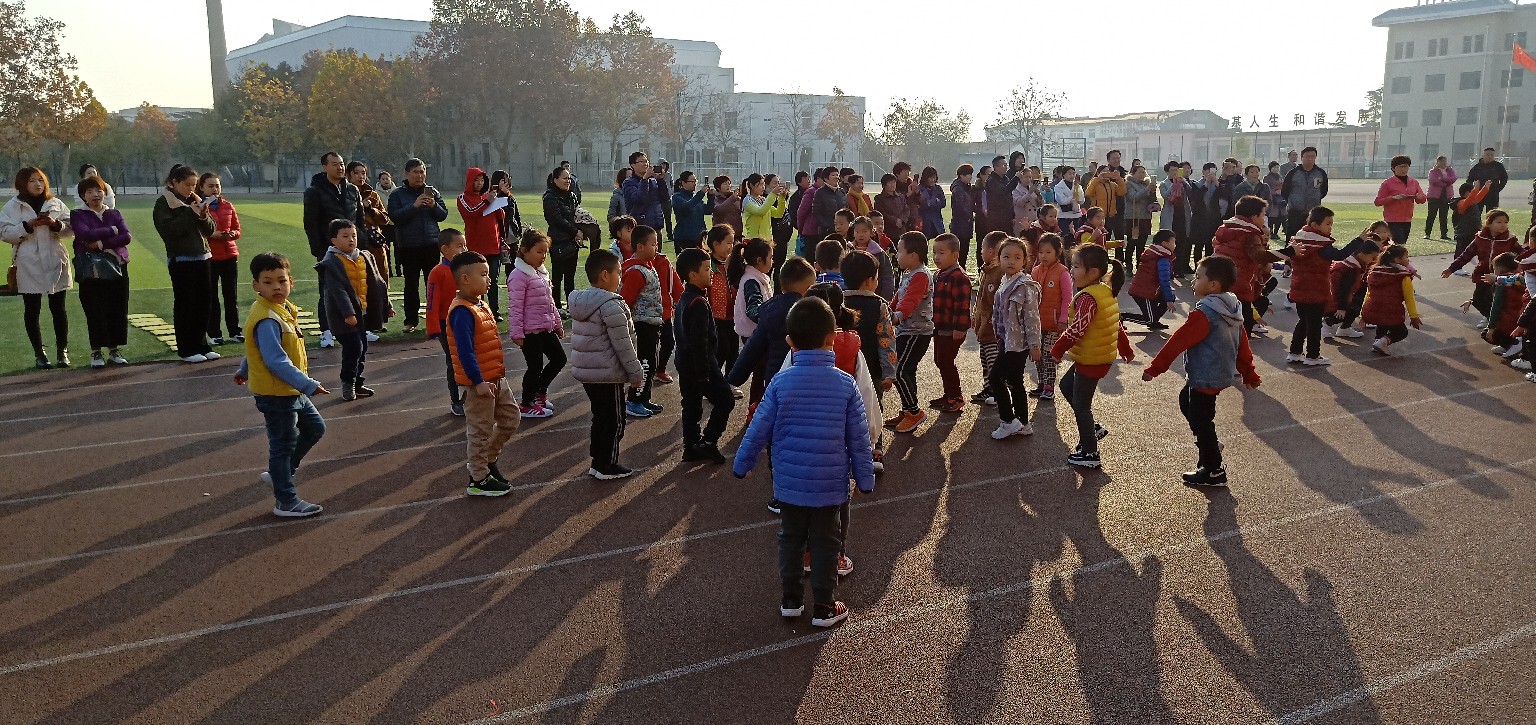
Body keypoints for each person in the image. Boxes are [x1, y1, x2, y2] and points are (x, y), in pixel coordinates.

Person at [732, 295, 875, 629]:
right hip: (829, 484)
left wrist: (742, 464)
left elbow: (759, 427)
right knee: (826, 542)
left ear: (789, 342)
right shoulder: (845, 384)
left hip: (789, 484)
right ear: (832, 339)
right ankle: (824, 605)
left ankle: (791, 600)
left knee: (790, 538)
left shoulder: (780, 382)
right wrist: (865, 479)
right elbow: (859, 436)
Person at [1142, 255, 1260, 488]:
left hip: (1206, 376)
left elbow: (1178, 342)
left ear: (1213, 285)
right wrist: (1248, 373)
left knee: (1201, 419)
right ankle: (1210, 447)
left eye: (1197, 277)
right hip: (1217, 373)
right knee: (1188, 403)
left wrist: (1155, 368)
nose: (1193, 282)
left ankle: (1213, 469)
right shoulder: (1232, 308)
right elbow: (1242, 344)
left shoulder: (1205, 313)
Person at [232, 252, 329, 517]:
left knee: (315, 428)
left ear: (291, 282)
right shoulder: (266, 318)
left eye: (281, 281)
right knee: (283, 445)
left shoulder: (280, 310)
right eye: (268, 282)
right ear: (256, 285)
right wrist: (308, 384)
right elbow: (275, 360)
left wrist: (244, 369)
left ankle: (280, 474)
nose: (276, 287)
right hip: (278, 393)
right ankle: (286, 501)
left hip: (290, 389)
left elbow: (256, 349)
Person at [1050, 244, 1133, 468]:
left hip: (1092, 359)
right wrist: (1125, 349)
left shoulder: (1088, 298)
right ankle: (1092, 429)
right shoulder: (1104, 291)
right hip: (1093, 355)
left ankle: (1090, 452)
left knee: (1081, 405)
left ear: (1093, 272)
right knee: (1067, 386)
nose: (1071, 271)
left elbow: (1077, 330)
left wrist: (1057, 350)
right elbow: (1114, 324)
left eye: (1076, 267)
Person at [445, 250, 519, 496]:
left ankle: (488, 460)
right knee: (480, 431)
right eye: (484, 274)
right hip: (480, 383)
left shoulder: (480, 305)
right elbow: (465, 352)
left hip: (496, 377)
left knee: (511, 418)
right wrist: (477, 382)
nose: (489, 279)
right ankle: (478, 478)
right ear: (465, 279)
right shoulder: (462, 312)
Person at [569, 248, 647, 479]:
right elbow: (623, 345)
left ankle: (598, 460)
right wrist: (636, 373)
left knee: (600, 417)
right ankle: (607, 464)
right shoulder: (611, 305)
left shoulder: (582, 301)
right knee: (615, 420)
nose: (621, 279)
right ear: (605, 275)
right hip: (607, 373)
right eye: (618, 273)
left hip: (589, 372)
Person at [730, 258, 815, 450]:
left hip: (775, 378)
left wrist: (735, 377)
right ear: (808, 287)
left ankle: (775, 453)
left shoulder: (770, 310)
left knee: (777, 423)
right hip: (804, 378)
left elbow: (753, 347)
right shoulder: (810, 312)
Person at [4, 167, 73, 369]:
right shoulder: (13, 206)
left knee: (58, 308)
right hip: (29, 262)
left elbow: (71, 227)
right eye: (32, 180)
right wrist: (28, 226)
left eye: (41, 180)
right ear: (22, 183)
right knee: (32, 309)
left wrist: (55, 225)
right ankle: (40, 354)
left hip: (54, 258)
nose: (38, 184)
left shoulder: (55, 203)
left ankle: (62, 351)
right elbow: (5, 233)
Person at [671, 247, 736, 463]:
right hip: (701, 365)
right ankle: (707, 442)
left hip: (685, 364)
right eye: (707, 269)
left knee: (691, 405)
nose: (711, 273)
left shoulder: (685, 298)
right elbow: (699, 341)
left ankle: (691, 447)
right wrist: (704, 373)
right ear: (692, 275)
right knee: (725, 400)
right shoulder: (698, 302)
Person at [317, 219, 392, 401]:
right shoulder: (331, 263)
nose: (351, 240)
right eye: (345, 236)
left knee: (362, 347)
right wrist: (348, 313)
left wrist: (387, 304)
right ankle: (348, 383)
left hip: (362, 314)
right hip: (342, 317)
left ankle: (357, 382)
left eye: (354, 236)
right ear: (333, 240)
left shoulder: (365, 256)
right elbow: (337, 292)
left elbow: (378, 282)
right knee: (354, 347)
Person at [1285, 207, 1366, 365]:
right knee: (1314, 325)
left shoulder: (1297, 240)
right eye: (1328, 224)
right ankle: (1313, 356)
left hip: (1299, 288)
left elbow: (1289, 256)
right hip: (1316, 290)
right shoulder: (1320, 246)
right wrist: (1359, 240)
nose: (1330, 227)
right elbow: (1340, 255)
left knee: (1303, 321)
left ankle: (1295, 352)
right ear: (1315, 225)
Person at [154, 164, 218, 363]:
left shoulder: (195, 200)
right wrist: (190, 213)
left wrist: (202, 214)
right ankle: (187, 349)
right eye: (187, 184)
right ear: (174, 182)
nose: (191, 189)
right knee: (186, 305)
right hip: (181, 260)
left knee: (204, 304)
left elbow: (210, 229)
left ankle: (202, 345)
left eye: (194, 185)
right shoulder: (164, 203)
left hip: (203, 257)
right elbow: (169, 231)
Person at [69, 176, 131, 367]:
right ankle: (96, 352)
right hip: (91, 268)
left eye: (99, 191)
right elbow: (85, 235)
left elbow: (126, 237)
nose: (95, 195)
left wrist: (101, 243)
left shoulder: (114, 213)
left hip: (117, 265)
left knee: (117, 308)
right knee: (95, 309)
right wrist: (112, 230)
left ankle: (114, 350)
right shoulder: (78, 214)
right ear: (83, 196)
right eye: (89, 192)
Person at [303, 152, 363, 348]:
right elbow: (310, 223)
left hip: (353, 249)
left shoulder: (352, 189)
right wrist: (319, 250)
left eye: (342, 164)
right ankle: (327, 331)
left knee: (356, 287)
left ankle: (360, 327)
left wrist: (361, 242)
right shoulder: (314, 192)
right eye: (335, 164)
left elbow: (359, 220)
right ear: (325, 167)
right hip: (328, 249)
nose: (340, 167)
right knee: (328, 290)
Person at [505, 228, 567, 419]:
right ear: (524, 250)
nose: (543, 256)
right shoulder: (518, 276)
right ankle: (526, 403)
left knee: (559, 359)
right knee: (535, 366)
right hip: (529, 331)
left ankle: (539, 392)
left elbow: (550, 303)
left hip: (545, 327)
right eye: (539, 251)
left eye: (545, 252)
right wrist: (517, 333)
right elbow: (515, 307)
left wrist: (557, 324)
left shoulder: (541, 273)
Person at [988, 237, 1043, 439]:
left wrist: (1035, 345)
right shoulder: (1004, 282)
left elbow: (1032, 318)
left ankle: (1008, 421)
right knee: (1015, 380)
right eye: (1006, 257)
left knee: (995, 378)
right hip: (1006, 341)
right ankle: (1023, 423)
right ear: (999, 259)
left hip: (1018, 344)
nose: (1011, 261)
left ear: (1025, 261)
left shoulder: (1025, 286)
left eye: (1017, 257)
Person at [387, 158, 450, 333]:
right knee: (411, 284)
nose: (419, 176)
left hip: (431, 244)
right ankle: (411, 321)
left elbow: (443, 215)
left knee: (434, 284)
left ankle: (437, 319)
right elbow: (394, 217)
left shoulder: (432, 192)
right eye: (415, 172)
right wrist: (414, 206)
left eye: (422, 172)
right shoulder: (397, 195)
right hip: (408, 246)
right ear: (406, 174)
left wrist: (434, 205)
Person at [1212, 196, 1283, 337]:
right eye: (1263, 214)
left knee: (1223, 331)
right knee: (1242, 333)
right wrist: (1288, 253)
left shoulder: (1227, 229)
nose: (1264, 218)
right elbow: (1259, 256)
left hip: (1220, 285)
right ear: (1253, 217)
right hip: (1239, 287)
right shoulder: (1250, 234)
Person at [885, 231, 935, 434]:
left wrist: (896, 316)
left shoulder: (921, 275)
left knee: (899, 371)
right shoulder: (909, 273)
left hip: (917, 332)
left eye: (900, 251)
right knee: (906, 371)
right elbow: (898, 298)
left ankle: (914, 412)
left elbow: (910, 300)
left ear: (913, 255)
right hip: (906, 331)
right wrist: (887, 311)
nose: (897, 255)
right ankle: (908, 409)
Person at [619, 225, 670, 418]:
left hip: (652, 323)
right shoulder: (635, 272)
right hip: (642, 325)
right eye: (653, 244)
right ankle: (634, 400)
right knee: (645, 363)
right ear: (640, 247)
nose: (656, 248)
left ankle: (644, 398)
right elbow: (626, 301)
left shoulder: (648, 266)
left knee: (651, 362)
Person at [192, 173, 244, 347]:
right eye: (211, 186)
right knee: (212, 297)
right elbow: (196, 231)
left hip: (229, 255)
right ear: (202, 187)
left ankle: (235, 331)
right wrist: (212, 234)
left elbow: (237, 229)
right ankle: (215, 333)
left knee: (231, 296)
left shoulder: (227, 205)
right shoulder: (198, 207)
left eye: (217, 185)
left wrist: (231, 234)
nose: (215, 189)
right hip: (210, 256)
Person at [1443, 209, 1519, 318]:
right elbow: (1466, 255)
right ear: (1489, 223)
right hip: (1482, 274)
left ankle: (1494, 321)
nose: (1503, 225)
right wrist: (1452, 268)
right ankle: (1490, 318)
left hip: (1502, 275)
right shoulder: (1480, 238)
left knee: (1498, 300)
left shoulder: (1510, 239)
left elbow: (1522, 255)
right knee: (1478, 300)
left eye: (1506, 222)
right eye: (1499, 222)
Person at [427, 229, 469, 416]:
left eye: (465, 245)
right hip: (447, 324)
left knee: (470, 358)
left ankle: (470, 396)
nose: (464, 249)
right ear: (445, 249)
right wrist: (433, 327)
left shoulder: (467, 269)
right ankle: (456, 400)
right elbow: (432, 301)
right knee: (453, 361)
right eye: (459, 246)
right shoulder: (438, 272)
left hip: (467, 321)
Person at [928, 234, 971, 412]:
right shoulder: (939, 274)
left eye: (941, 253)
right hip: (939, 327)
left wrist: (959, 328)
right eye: (934, 252)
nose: (936, 257)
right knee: (940, 360)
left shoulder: (959, 277)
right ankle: (948, 394)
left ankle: (956, 396)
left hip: (952, 329)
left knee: (946, 361)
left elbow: (963, 305)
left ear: (955, 255)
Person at [457, 167, 506, 320]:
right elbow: (470, 213)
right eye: (476, 180)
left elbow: (500, 217)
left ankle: (494, 311)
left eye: (482, 180)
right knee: (477, 281)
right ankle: (479, 310)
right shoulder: (463, 198)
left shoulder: (486, 197)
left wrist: (497, 203)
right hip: (476, 247)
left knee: (493, 281)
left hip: (493, 245)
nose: (479, 183)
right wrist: (487, 202)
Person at [729, 237, 776, 401]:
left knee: (760, 371)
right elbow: (753, 309)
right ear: (759, 260)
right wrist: (769, 319)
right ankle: (755, 406)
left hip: (755, 331)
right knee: (761, 372)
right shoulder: (751, 281)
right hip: (754, 333)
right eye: (770, 257)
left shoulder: (755, 277)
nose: (773, 261)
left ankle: (756, 405)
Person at [1030, 234, 1072, 399]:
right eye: (1041, 252)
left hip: (1054, 324)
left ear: (1058, 252)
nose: (1043, 256)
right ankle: (1041, 384)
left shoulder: (1062, 273)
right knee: (1037, 355)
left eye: (1048, 252)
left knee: (1048, 355)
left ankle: (1049, 387)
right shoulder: (1035, 271)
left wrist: (1063, 319)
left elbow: (1068, 298)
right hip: (1037, 323)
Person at [1364, 244, 1422, 355]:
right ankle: (1383, 342)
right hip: (1391, 310)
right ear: (1397, 260)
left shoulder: (1373, 272)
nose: (1408, 260)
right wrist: (1414, 316)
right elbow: (1409, 298)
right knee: (1402, 332)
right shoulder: (1403, 276)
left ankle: (1378, 341)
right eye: (1406, 257)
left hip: (1372, 309)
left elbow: (1368, 293)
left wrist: (1363, 314)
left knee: (1382, 322)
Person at [540, 165, 582, 314]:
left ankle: (571, 306)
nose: (568, 181)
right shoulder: (549, 197)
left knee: (570, 276)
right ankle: (556, 306)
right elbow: (556, 219)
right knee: (557, 276)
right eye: (564, 178)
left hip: (572, 241)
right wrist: (575, 230)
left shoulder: (572, 196)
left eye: (569, 178)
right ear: (555, 180)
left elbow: (576, 215)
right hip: (558, 241)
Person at [970, 231, 1006, 405]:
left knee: (993, 360)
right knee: (985, 360)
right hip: (983, 326)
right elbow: (980, 299)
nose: (981, 252)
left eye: (982, 249)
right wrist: (975, 316)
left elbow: (997, 302)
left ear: (991, 251)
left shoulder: (999, 272)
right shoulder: (986, 270)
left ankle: (997, 390)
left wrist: (993, 321)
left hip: (992, 328)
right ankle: (988, 388)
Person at [1324, 238, 1381, 339]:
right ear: (1363, 254)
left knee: (1357, 300)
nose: (1373, 260)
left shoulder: (1352, 263)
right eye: (1372, 257)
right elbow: (1343, 289)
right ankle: (1326, 324)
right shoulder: (1351, 269)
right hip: (1334, 301)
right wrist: (1342, 307)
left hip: (1334, 298)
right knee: (1353, 308)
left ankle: (1344, 328)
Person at [1124, 230, 1178, 330]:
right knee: (1150, 318)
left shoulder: (1156, 253)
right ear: (1164, 243)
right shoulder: (1162, 257)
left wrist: (1169, 298)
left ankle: (1154, 321)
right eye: (1173, 242)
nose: (1175, 245)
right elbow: (1164, 281)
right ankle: (1123, 317)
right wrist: (1169, 300)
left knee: (1168, 297)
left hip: (1150, 290)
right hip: (1143, 293)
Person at [1374, 155, 1428, 246]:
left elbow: (1422, 199)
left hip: (1407, 219)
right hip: (1392, 220)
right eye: (1400, 167)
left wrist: (1420, 197)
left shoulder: (1414, 182)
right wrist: (1393, 198)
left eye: (1406, 166)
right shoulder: (1387, 183)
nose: (1404, 169)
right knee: (1399, 244)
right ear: (1393, 168)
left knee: (1400, 245)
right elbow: (1378, 201)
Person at [1281, 147, 1328, 240]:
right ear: (1302, 158)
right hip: (1295, 212)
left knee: (1311, 239)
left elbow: (1323, 190)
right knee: (1292, 239)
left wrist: (1315, 199)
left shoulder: (1320, 173)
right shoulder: (1293, 173)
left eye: (1312, 156)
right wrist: (1294, 202)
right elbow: (1285, 191)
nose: (1310, 159)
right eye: (1307, 156)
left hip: (1313, 213)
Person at [1159, 161, 1195, 274]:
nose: (1175, 172)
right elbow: (1165, 196)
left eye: (1176, 170)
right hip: (1170, 217)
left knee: (1181, 242)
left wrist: (1183, 182)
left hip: (1182, 215)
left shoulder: (1183, 182)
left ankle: (1179, 268)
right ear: (1167, 172)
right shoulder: (1163, 184)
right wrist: (1173, 184)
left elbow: (1191, 192)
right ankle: (1169, 268)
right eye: (1172, 170)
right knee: (1169, 243)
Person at [1122, 166, 1156, 275]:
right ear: (1133, 173)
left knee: (1142, 244)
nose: (1142, 174)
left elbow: (1151, 200)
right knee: (1132, 243)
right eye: (1140, 172)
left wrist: (1152, 192)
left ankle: (1140, 266)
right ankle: (1128, 265)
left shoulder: (1146, 184)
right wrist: (1146, 189)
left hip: (1145, 217)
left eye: (1144, 172)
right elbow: (1133, 197)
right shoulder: (1128, 184)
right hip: (1133, 218)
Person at [622, 152, 667, 231]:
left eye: (646, 161)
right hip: (640, 225)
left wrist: (661, 180)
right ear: (633, 165)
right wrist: (644, 179)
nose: (645, 164)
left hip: (656, 225)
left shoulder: (653, 180)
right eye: (641, 161)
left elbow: (665, 198)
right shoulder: (629, 182)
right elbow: (640, 199)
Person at [670, 171, 714, 253]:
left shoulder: (695, 198)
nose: (695, 184)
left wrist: (711, 197)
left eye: (695, 181)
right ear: (683, 183)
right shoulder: (677, 197)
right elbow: (687, 207)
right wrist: (701, 193)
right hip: (684, 238)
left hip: (699, 237)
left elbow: (708, 210)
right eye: (692, 181)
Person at [741, 173, 783, 242]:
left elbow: (778, 214)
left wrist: (782, 198)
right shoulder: (747, 201)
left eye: (764, 184)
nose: (763, 187)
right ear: (751, 185)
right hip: (755, 240)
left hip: (767, 240)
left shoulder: (763, 200)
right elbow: (760, 212)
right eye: (760, 184)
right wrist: (772, 194)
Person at [950, 165, 978, 269]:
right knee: (960, 251)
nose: (970, 177)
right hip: (960, 224)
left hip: (965, 224)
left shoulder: (966, 187)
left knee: (964, 250)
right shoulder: (959, 189)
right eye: (968, 174)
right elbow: (961, 206)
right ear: (961, 175)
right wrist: (968, 216)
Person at [1425, 156, 1458, 240]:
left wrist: (1444, 178)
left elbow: (1453, 178)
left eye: (1444, 161)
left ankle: (1444, 234)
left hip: (1446, 196)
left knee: (1443, 216)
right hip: (1434, 196)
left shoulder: (1450, 170)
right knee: (1431, 215)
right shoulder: (1433, 171)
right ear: (1437, 162)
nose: (1443, 163)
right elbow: (1433, 180)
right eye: (1441, 161)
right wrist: (1445, 183)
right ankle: (1427, 233)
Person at [872, 173, 912, 243]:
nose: (893, 185)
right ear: (884, 185)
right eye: (890, 183)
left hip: (901, 231)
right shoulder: (879, 199)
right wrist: (895, 221)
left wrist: (902, 220)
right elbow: (882, 214)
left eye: (894, 182)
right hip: (888, 231)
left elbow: (906, 210)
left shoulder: (900, 197)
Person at [1467, 147, 1509, 212]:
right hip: (1479, 194)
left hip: (1493, 195)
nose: (1490, 156)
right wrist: (1473, 191)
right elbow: (1469, 180)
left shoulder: (1498, 166)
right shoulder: (1477, 167)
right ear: (1483, 155)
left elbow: (1504, 178)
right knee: (1476, 213)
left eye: (1492, 155)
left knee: (1492, 214)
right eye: (1487, 155)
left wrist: (1498, 188)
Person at [812, 167, 846, 242]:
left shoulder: (841, 192)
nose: (836, 177)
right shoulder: (820, 193)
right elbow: (816, 213)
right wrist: (827, 226)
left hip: (842, 231)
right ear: (826, 178)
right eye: (833, 175)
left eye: (837, 175)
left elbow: (846, 209)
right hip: (827, 233)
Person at [916, 166, 948, 238]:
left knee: (941, 239)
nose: (932, 180)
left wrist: (929, 203)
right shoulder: (919, 189)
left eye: (934, 177)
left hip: (937, 220)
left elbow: (943, 203)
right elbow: (921, 205)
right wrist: (935, 201)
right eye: (930, 178)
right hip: (924, 221)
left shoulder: (938, 188)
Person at [1263, 162, 1285, 240]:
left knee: (1280, 217)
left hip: (1280, 199)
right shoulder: (1267, 177)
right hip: (1272, 200)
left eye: (1277, 167)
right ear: (1270, 168)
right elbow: (1266, 188)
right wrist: (1274, 192)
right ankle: (1271, 233)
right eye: (1274, 167)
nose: (1276, 169)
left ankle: (1276, 232)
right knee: (1272, 218)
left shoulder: (1280, 177)